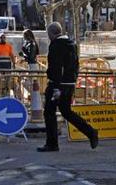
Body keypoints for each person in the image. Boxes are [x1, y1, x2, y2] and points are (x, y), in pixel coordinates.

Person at [38, 22, 98, 152]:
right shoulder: (71, 44)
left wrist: (55, 85)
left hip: (57, 84)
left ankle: (52, 143)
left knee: (49, 112)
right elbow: (75, 65)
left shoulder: (56, 46)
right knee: (66, 111)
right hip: (69, 83)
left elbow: (56, 67)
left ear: (51, 34)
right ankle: (90, 132)